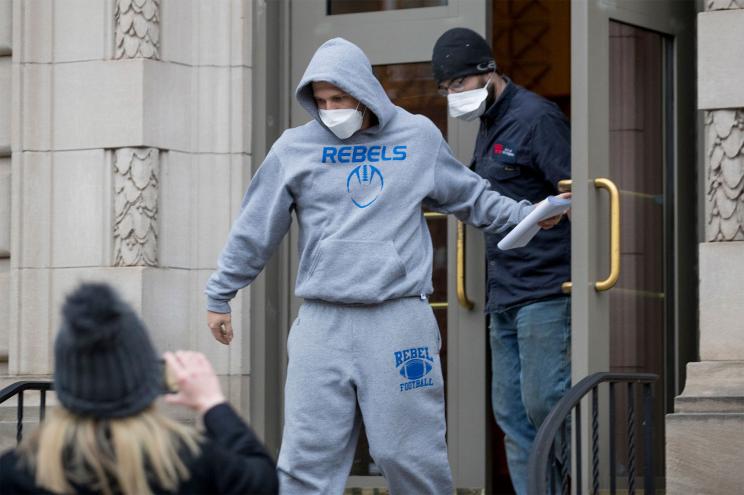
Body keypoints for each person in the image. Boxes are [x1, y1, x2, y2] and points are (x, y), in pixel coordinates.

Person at [205, 37, 561, 495]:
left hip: (398, 319)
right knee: (305, 461)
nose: (330, 109)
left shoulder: (416, 137)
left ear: (364, 92)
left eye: (339, 98)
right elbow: (255, 227)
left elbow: (472, 197)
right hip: (322, 322)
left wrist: (528, 214)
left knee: (409, 456)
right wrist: (221, 292)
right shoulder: (294, 148)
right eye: (321, 101)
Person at [432, 27, 572, 495]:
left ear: (486, 73)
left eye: (457, 86)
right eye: (445, 89)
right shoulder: (488, 124)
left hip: (546, 290)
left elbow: (573, 198)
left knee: (545, 403)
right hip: (503, 292)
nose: (453, 97)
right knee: (513, 417)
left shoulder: (537, 118)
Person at [0, 283, 278, 495]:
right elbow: (263, 481)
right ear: (145, 378)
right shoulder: (188, 464)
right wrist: (212, 403)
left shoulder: (17, 473)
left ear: (66, 382)